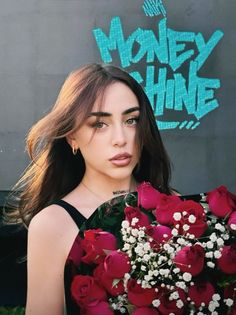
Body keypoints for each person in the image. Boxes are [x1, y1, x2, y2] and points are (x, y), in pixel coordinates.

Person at [7, 63, 173, 314]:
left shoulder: (176, 208)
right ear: (72, 136)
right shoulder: (53, 224)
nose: (121, 138)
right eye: (99, 124)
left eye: (131, 120)